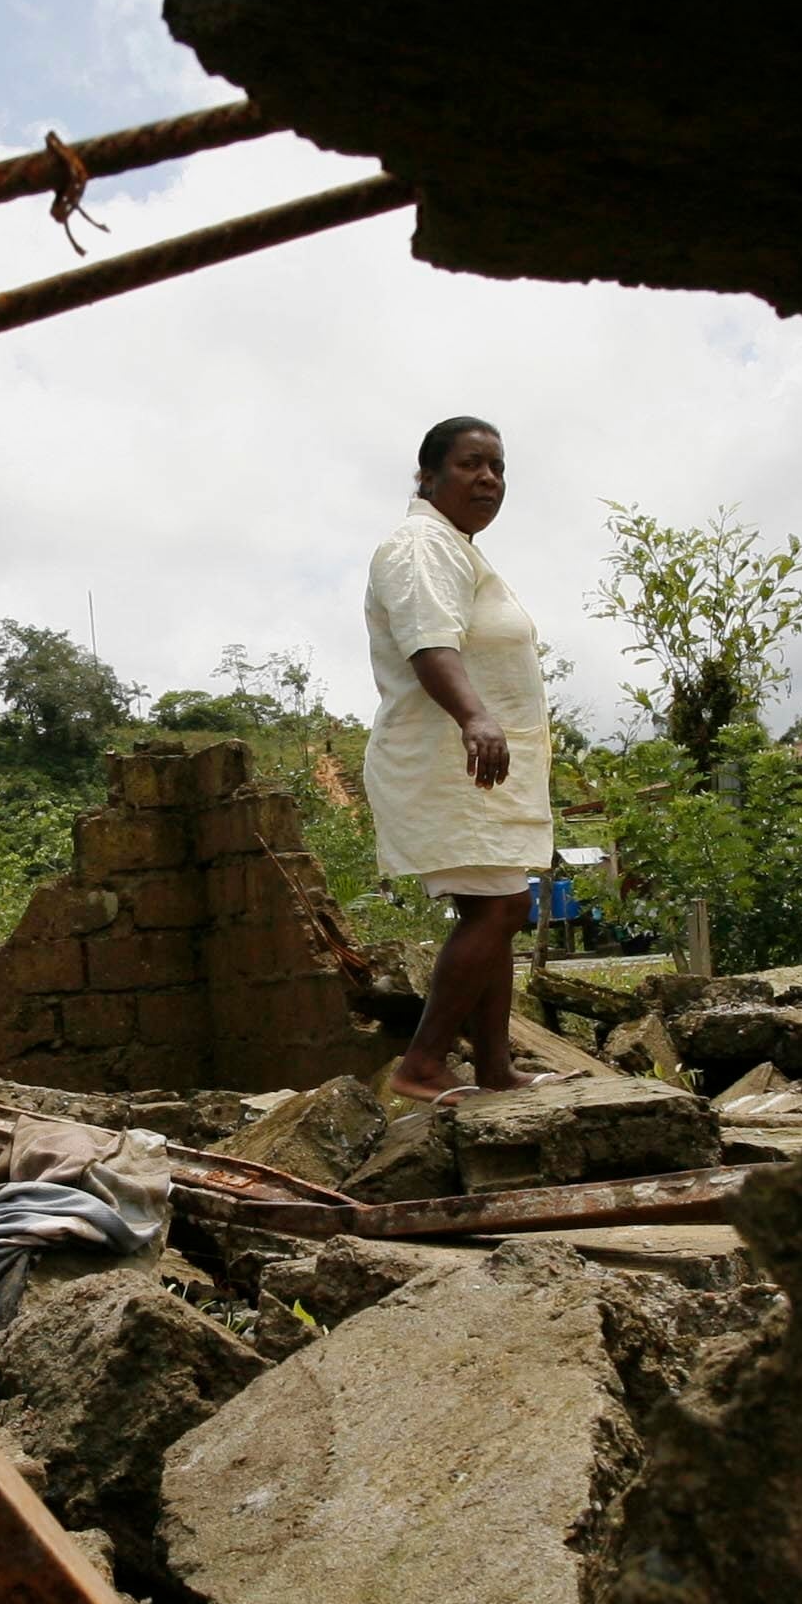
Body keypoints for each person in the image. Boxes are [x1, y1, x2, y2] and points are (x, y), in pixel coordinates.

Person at [363, 415, 552, 1102]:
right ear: (429, 476)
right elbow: (428, 642)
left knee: (500, 907)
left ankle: (496, 1066)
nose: (490, 479)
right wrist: (474, 716)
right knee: (496, 911)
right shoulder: (420, 545)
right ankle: (422, 1064)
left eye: (498, 468)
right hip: (448, 760)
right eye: (473, 464)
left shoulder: (455, 549)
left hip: (476, 766)